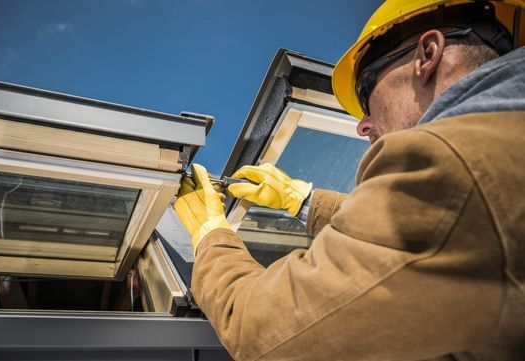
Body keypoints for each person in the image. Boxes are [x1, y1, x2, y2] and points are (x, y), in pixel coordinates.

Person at [175, 1, 525, 360]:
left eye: (366, 93)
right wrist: (302, 200)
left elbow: (264, 331)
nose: (362, 125)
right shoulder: (500, 146)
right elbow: (428, 232)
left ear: (428, 54)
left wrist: (211, 235)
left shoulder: (452, 164)